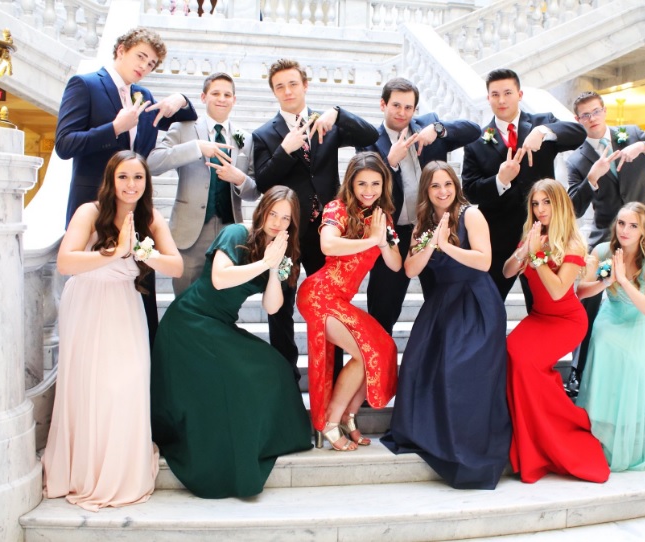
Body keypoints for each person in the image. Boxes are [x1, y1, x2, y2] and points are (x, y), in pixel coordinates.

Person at [42, 150, 183, 511]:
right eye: (123, 177)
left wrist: (144, 253)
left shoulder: (151, 218)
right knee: (91, 386)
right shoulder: (89, 212)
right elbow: (66, 262)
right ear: (111, 179)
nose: (130, 184)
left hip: (125, 304)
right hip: (87, 302)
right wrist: (114, 252)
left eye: (138, 177)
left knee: (126, 385)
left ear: (146, 182)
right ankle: (86, 469)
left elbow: (177, 267)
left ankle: (120, 469)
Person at [150, 186, 313, 498]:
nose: (277, 222)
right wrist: (264, 263)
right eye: (273, 213)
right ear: (262, 210)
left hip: (219, 325)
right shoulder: (236, 233)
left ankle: (272, 438)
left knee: (275, 367)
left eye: (286, 218)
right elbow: (220, 278)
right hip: (190, 321)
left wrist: (275, 270)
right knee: (240, 376)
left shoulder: (282, 254)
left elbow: (272, 307)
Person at [55, 26, 197, 345]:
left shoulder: (143, 97)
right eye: (140, 57)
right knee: (96, 307)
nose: (144, 66)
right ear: (121, 49)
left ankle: (142, 369)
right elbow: (64, 144)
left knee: (142, 302)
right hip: (96, 211)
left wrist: (181, 99)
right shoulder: (85, 85)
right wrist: (114, 128)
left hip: (135, 211)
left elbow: (187, 114)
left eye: (151, 64)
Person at [381, 162, 511, 489]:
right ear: (426, 190)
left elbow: (484, 261)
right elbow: (410, 269)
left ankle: (465, 440)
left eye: (448, 184)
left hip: (476, 300)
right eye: (435, 186)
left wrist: (447, 245)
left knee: (458, 366)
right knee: (418, 361)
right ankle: (431, 432)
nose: (442, 191)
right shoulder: (422, 224)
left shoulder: (471, 215)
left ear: (456, 186)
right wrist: (429, 244)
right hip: (442, 300)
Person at [253, 58, 378, 381]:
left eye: (293, 84)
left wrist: (338, 112)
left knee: (330, 306)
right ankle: (286, 379)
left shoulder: (326, 123)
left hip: (326, 233)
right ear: (274, 92)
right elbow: (262, 183)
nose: (287, 91)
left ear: (305, 86)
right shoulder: (264, 134)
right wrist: (284, 150)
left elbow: (370, 133)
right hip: (287, 234)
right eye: (280, 86)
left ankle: (331, 380)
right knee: (281, 307)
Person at [566, 90, 645, 387]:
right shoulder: (577, 159)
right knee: (590, 298)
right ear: (578, 120)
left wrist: (644, 147)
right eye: (585, 115)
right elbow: (574, 208)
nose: (592, 118)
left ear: (604, 110)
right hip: (608, 236)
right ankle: (579, 369)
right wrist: (592, 178)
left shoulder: (630, 134)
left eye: (595, 111)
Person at [501, 178, 609, 484]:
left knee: (526, 364)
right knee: (510, 353)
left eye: (546, 202)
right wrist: (524, 252)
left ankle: (563, 426)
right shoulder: (533, 236)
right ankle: (530, 431)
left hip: (566, 322)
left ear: (559, 204)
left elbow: (559, 290)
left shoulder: (572, 243)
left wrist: (536, 257)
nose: (540, 209)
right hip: (539, 317)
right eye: (535, 203)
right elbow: (507, 272)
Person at [357, 77, 480, 335]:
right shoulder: (370, 141)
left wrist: (438, 129)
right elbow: (365, 191)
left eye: (408, 107)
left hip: (433, 228)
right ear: (383, 104)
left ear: (415, 109)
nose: (402, 113)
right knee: (383, 309)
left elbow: (473, 130)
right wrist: (389, 163)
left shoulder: (428, 126)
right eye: (396, 105)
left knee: (442, 303)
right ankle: (381, 358)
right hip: (393, 234)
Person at [297, 152, 401, 451]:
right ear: (351, 184)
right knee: (362, 351)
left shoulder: (382, 218)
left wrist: (382, 240)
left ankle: (348, 416)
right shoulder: (337, 208)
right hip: (319, 295)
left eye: (375, 184)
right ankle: (331, 421)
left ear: (384, 185)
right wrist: (371, 240)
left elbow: (395, 264)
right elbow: (328, 244)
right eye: (362, 184)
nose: (369, 190)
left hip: (340, 300)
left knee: (384, 347)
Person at [462, 68, 585, 304]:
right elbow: (470, 191)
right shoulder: (476, 141)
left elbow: (578, 133)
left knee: (543, 303)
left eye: (507, 93)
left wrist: (542, 132)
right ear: (488, 98)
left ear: (519, 95)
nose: (501, 100)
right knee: (489, 304)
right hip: (498, 238)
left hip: (544, 234)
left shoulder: (543, 123)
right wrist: (500, 180)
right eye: (495, 94)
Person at [576, 202, 645, 472]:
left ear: (643, 231)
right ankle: (602, 432)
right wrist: (605, 281)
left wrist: (624, 280)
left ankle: (629, 436)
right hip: (612, 316)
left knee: (631, 357)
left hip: (640, 323)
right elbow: (581, 291)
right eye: (621, 223)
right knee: (604, 339)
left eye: (633, 226)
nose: (625, 230)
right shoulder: (603, 252)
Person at [148, 72, 260, 295]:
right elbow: (152, 163)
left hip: (229, 233)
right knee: (185, 297)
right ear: (203, 97)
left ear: (234, 100)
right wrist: (196, 148)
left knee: (223, 300)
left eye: (227, 94)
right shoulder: (182, 129)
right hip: (190, 232)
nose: (222, 99)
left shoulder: (245, 138)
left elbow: (254, 192)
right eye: (215, 93)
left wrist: (239, 178)